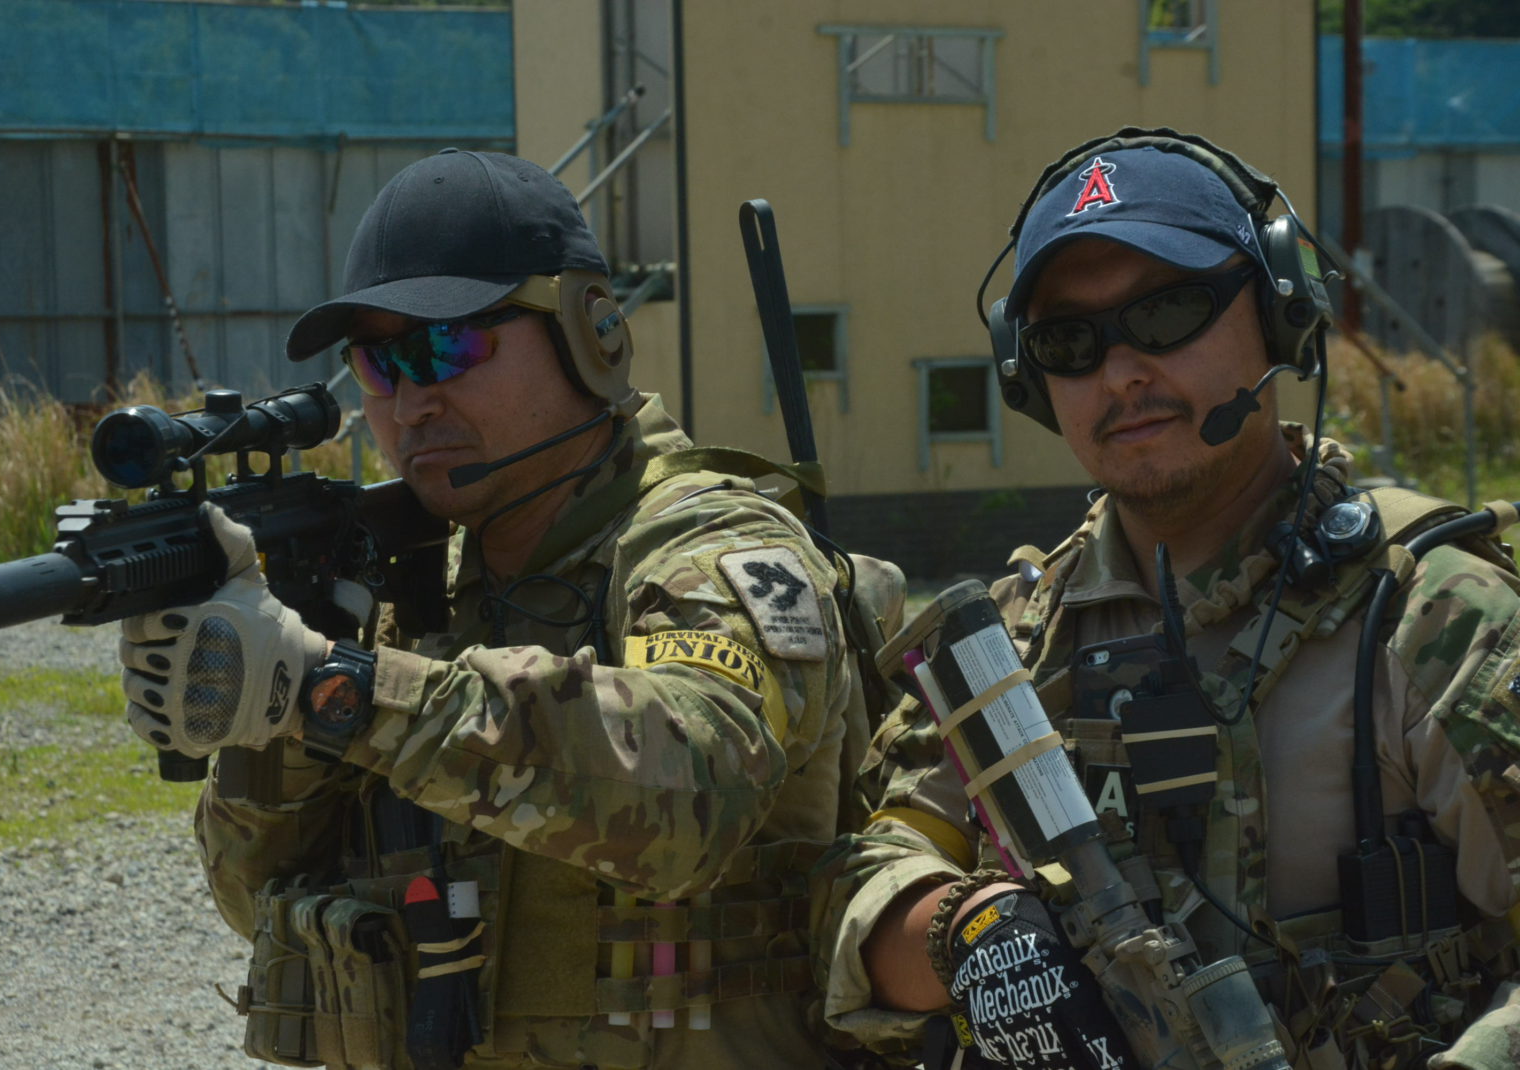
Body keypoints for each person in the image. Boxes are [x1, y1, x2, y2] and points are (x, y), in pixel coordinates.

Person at [115, 148, 874, 1069]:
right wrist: (269, 710)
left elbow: (698, 794)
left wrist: (336, 688)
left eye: (446, 346)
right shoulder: (409, 590)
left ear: (590, 332)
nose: (411, 402)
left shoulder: (709, 542)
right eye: (378, 364)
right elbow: (255, 900)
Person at [812, 128, 1520, 1069]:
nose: (1120, 373)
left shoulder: (1430, 614)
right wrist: (972, 934)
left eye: (1169, 313)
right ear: (1029, 377)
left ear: (1279, 310)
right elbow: (861, 892)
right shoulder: (1008, 644)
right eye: (1069, 341)